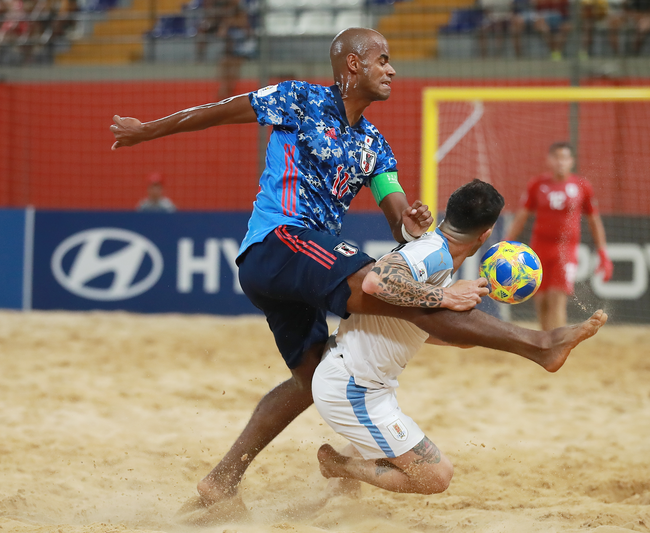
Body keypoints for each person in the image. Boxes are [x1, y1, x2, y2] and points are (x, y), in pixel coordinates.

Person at [110, 28, 607, 514]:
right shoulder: (296, 98)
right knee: (394, 291)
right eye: (382, 59)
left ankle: (223, 478)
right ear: (353, 64)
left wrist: (410, 223)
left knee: (313, 379)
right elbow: (219, 113)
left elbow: (397, 219)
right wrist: (147, 130)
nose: (392, 68)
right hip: (280, 239)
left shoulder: (376, 145)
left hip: (301, 266)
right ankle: (539, 344)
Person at [313, 180, 607, 496]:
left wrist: (453, 334)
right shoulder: (432, 252)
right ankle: (338, 466)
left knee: (376, 458)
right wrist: (444, 297)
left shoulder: (436, 253)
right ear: (485, 235)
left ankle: (337, 491)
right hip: (353, 388)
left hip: (361, 380)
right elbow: (376, 282)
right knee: (435, 476)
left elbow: (399, 315)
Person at [505, 142, 613, 331]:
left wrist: (603, 253)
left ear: (571, 161)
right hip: (539, 247)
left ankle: (557, 344)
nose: (560, 162)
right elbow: (521, 218)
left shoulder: (582, 186)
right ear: (549, 160)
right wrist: (506, 245)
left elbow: (594, 221)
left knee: (557, 297)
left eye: (564, 158)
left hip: (566, 250)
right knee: (541, 300)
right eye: (556, 157)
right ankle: (546, 341)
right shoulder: (537, 184)